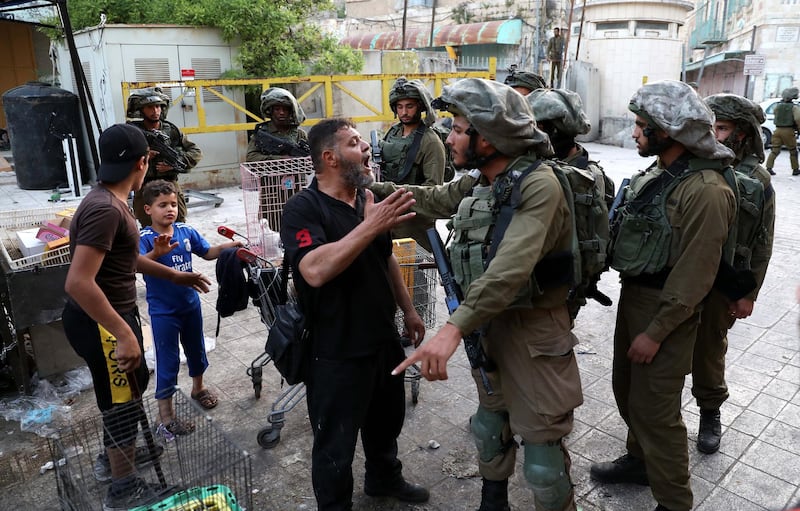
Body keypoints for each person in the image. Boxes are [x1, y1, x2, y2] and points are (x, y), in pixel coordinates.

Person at [382, 78, 583, 511]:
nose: (449, 137)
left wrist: (453, 327)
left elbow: (511, 268)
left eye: (457, 128)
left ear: (488, 138)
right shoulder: (482, 179)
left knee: (544, 462)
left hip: (533, 333)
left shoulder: (539, 184)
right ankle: (493, 501)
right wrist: (374, 189)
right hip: (486, 325)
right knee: (490, 426)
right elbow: (434, 199)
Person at [590, 80, 737, 511]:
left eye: (641, 125)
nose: (634, 133)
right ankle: (640, 461)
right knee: (627, 391)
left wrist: (656, 331)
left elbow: (695, 273)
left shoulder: (707, 190)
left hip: (669, 309)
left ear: (668, 130)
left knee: (657, 411)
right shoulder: (662, 173)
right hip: (637, 298)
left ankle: (674, 502)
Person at [279, 118, 429, 510]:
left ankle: (383, 479)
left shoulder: (366, 201)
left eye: (362, 140)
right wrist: (371, 225)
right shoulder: (302, 208)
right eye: (353, 142)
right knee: (335, 446)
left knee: (386, 422)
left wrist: (409, 310)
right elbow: (313, 270)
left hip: (382, 339)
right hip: (336, 351)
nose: (365, 148)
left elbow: (386, 258)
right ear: (329, 158)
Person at [62, 124, 210, 510]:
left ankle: (116, 457)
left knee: (126, 392)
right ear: (143, 162)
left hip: (111, 315)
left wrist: (172, 271)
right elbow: (78, 282)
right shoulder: (106, 210)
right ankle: (122, 485)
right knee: (122, 401)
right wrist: (123, 334)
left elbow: (125, 260)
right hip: (103, 321)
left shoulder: (110, 200)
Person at [693, 94, 775, 454]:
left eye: (722, 128)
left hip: (722, 284)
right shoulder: (692, 165)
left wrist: (748, 294)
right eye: (710, 126)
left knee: (709, 351)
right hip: (682, 276)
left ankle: (709, 411)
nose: (714, 134)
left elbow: (762, 242)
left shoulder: (756, 179)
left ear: (742, 134)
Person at [139, 179, 243, 437]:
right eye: (162, 205)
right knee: (168, 360)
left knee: (196, 350)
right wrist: (156, 253)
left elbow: (207, 252)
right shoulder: (145, 238)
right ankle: (167, 416)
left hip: (190, 305)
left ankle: (199, 388)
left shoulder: (186, 231)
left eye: (173, 203)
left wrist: (233, 246)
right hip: (163, 311)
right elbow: (136, 264)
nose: (169, 209)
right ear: (148, 209)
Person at [378, 77, 445, 251]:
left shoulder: (430, 141)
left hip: (414, 223)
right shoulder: (393, 132)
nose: (404, 112)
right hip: (388, 217)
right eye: (400, 107)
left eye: (410, 106)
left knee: (415, 275)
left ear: (421, 107)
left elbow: (433, 190)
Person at [127, 87, 203, 227]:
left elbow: (195, 152)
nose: (155, 111)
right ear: (141, 109)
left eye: (158, 106)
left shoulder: (171, 130)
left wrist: (174, 164)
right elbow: (121, 158)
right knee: (149, 228)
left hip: (169, 184)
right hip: (144, 186)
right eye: (150, 107)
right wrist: (144, 157)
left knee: (178, 224)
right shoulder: (133, 132)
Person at [245, 87, 309, 161]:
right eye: (277, 109)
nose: (281, 113)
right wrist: (280, 159)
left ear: (290, 112)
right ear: (271, 111)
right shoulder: (262, 133)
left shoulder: (300, 134)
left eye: (285, 109)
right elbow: (251, 157)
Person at [764, 87, 800, 176]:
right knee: (793, 151)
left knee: (774, 150)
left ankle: (769, 168)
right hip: (788, 130)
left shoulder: (777, 106)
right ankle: (795, 169)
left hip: (777, 130)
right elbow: (798, 118)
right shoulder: (794, 107)